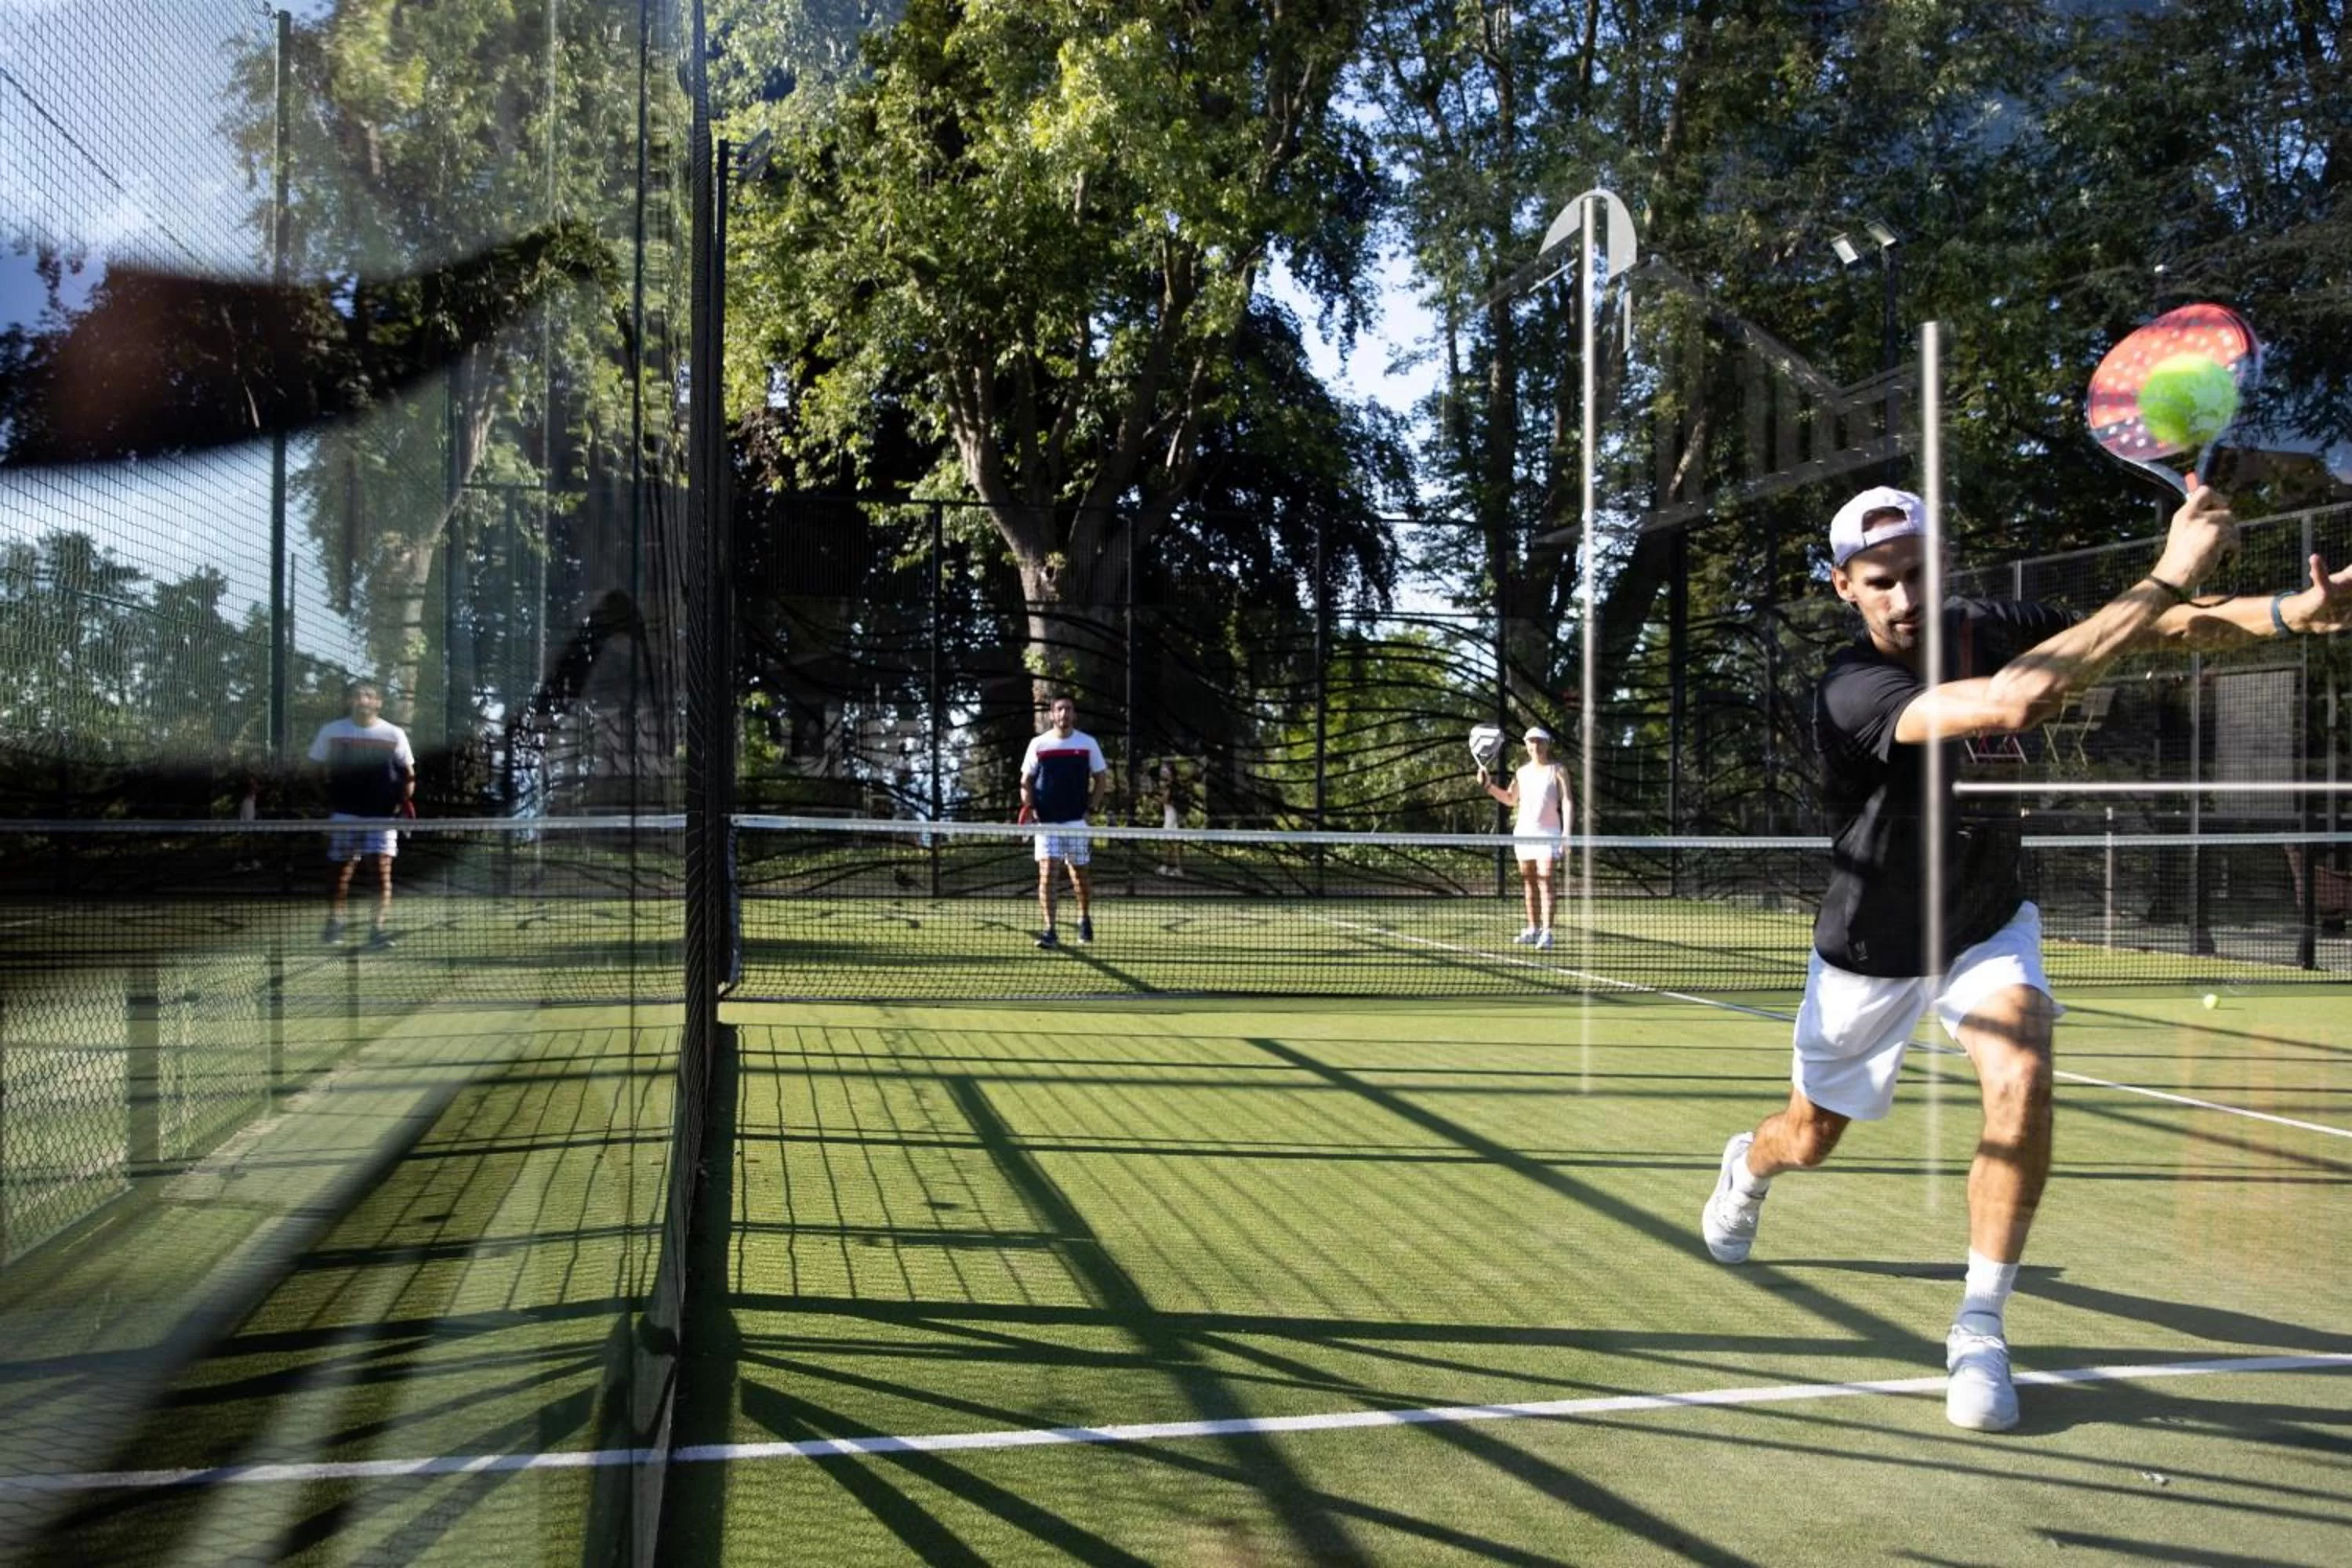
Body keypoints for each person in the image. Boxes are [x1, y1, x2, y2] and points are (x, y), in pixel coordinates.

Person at [1700, 479, 2352, 1433]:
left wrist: (2295, 611)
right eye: (1882, 580)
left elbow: (2159, 631)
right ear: (1846, 586)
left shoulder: (1990, 621)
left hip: (1985, 921)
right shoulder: (1850, 689)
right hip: (1873, 948)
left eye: (1920, 572)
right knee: (1809, 1137)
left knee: (2025, 1066)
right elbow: (2019, 698)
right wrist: (2172, 565)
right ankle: (1746, 1170)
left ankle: (1979, 1321)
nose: (1906, 597)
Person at [307, 678, 415, 949]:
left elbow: (409, 774)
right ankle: (335, 924)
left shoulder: (394, 735)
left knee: (380, 873)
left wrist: (404, 799)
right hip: (344, 816)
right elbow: (314, 771)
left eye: (369, 695)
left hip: (381, 818)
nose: (363, 700)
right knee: (340, 873)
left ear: (378, 702)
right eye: (357, 695)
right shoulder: (331, 731)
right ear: (348, 701)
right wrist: (327, 800)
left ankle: (376, 931)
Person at [1019, 694, 1109, 948]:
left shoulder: (1088, 743)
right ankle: (1050, 930)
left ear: (1074, 714)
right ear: (1052, 714)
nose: (1064, 714)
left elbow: (1101, 780)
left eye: (1068, 709)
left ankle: (1084, 918)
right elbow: (1026, 782)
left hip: (1076, 822)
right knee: (1047, 874)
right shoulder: (1038, 744)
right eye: (1059, 709)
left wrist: (1091, 808)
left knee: (1079, 873)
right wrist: (1030, 805)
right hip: (1046, 823)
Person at [1480, 726, 1573, 948]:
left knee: (1546, 881)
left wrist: (1566, 834)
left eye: (1539, 741)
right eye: (1531, 742)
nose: (1535, 746)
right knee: (1529, 884)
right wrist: (1488, 786)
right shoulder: (1521, 773)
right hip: (1524, 834)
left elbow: (1568, 801)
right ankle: (1533, 928)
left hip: (1549, 835)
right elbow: (1511, 799)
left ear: (1547, 744)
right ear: (1526, 746)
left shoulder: (1558, 770)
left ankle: (1547, 933)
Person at [1153, 759, 1192, 878]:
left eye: (1166, 771)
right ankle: (1166, 867)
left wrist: (1154, 797)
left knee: (1175, 844)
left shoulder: (1172, 786)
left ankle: (1178, 869)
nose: (1164, 773)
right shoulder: (1169, 786)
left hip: (1173, 817)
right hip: (1169, 816)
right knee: (1169, 844)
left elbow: (1165, 800)